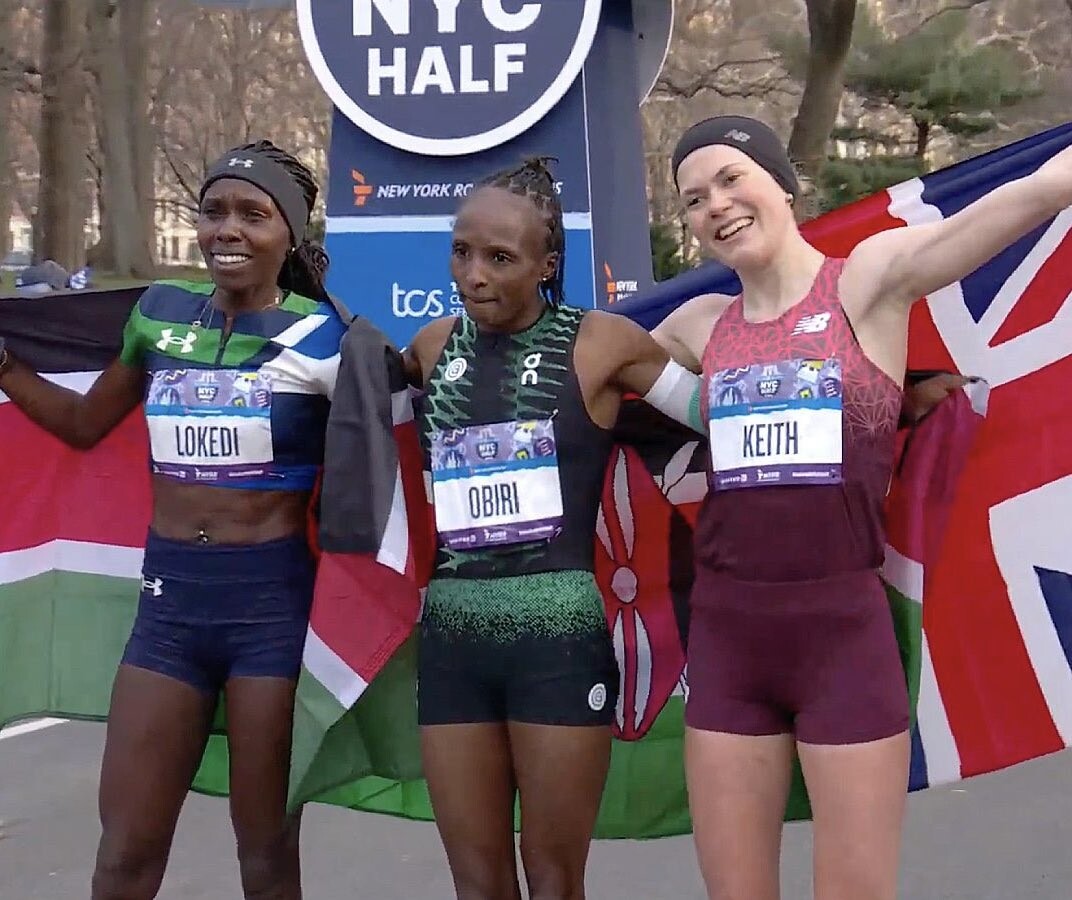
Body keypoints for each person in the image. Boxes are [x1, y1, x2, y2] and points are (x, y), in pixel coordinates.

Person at [652, 114, 1072, 900]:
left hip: (842, 644)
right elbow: (577, 363)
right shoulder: (698, 326)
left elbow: (1035, 194)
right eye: (694, 198)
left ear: (783, 183)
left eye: (731, 179)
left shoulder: (866, 280)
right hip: (729, 649)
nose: (716, 205)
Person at [0, 140, 351, 900]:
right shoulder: (158, 314)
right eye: (214, 211)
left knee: (265, 860)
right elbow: (86, 423)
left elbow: (389, 448)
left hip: (270, 614)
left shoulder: (325, 339)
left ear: (289, 234)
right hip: (169, 612)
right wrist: (5, 366)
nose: (228, 230)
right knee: (124, 855)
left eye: (253, 215)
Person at [400, 157, 702, 900]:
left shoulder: (604, 343)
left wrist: (895, 389)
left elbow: (714, 416)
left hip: (557, 644)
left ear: (547, 264)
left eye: (500, 258)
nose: (474, 275)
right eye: (461, 252)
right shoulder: (432, 346)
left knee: (555, 879)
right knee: (477, 885)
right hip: (451, 643)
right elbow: (349, 417)